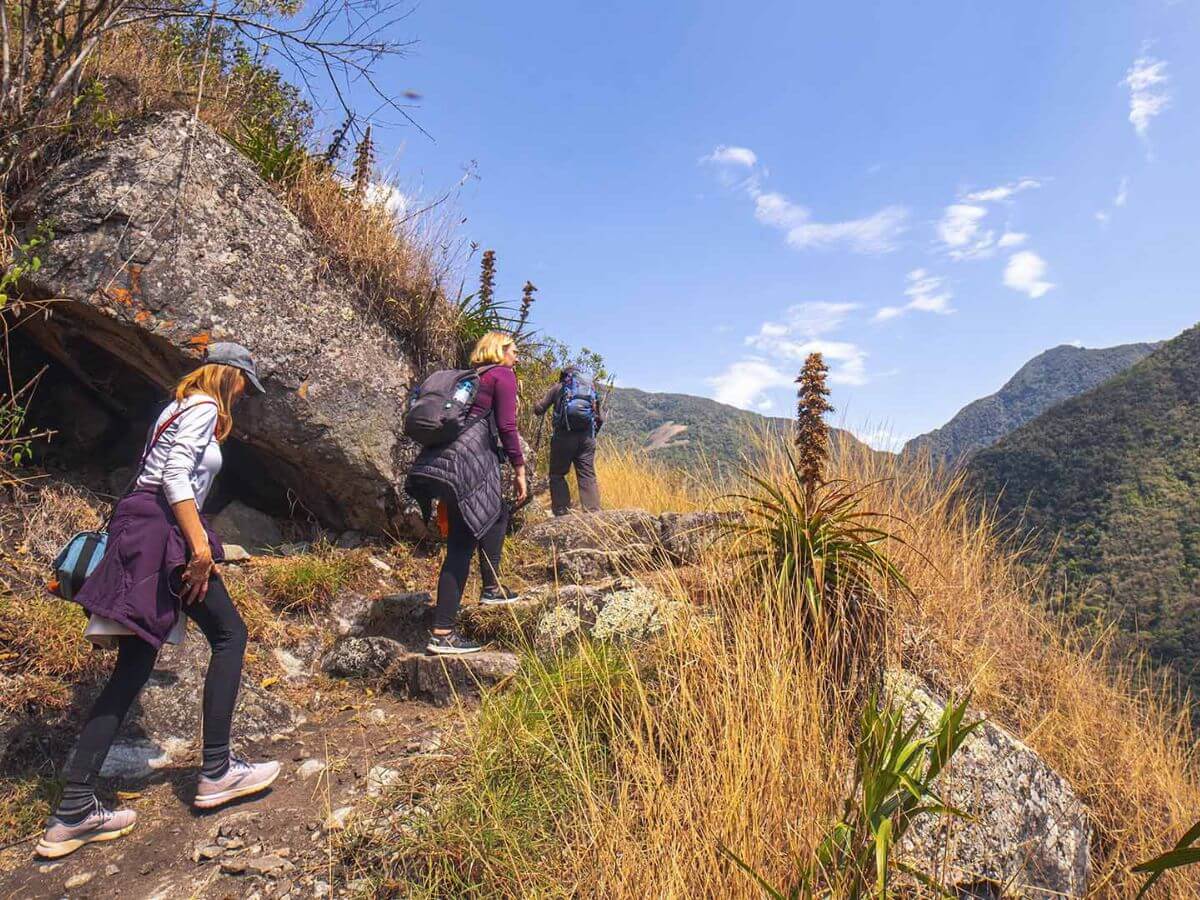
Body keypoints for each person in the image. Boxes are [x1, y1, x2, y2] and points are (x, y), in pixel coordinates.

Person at [37, 343, 280, 860]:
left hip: (142, 530)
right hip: (164, 533)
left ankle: (73, 810)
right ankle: (217, 770)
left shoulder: (173, 408)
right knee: (229, 635)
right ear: (229, 374)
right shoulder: (205, 406)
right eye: (244, 384)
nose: (244, 394)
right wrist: (198, 549)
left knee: (134, 664)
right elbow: (174, 479)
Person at [406, 331, 528, 655]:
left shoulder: (473, 378)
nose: (517, 356)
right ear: (499, 351)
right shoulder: (502, 375)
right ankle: (443, 632)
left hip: (444, 462)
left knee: (497, 514)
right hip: (470, 464)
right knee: (461, 543)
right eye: (513, 350)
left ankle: (491, 587)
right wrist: (519, 468)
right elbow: (507, 426)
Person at [534, 366, 603, 516]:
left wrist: (536, 403)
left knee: (557, 475)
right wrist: (592, 435)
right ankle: (593, 513)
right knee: (587, 474)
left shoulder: (558, 388)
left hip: (563, 437)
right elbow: (600, 418)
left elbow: (539, 409)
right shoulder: (590, 390)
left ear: (563, 376)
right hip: (586, 439)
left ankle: (561, 512)